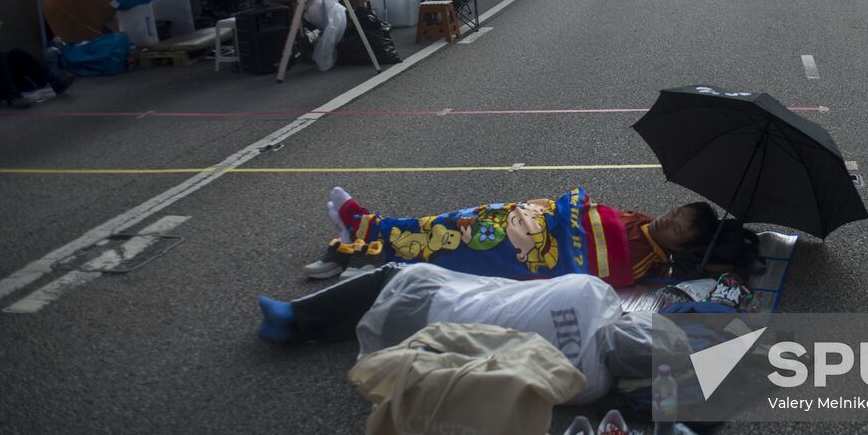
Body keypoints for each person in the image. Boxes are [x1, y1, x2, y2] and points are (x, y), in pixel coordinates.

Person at [303, 185, 719, 288]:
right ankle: (370, 227)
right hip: (524, 221)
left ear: (683, 244)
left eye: (679, 226)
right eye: (675, 211)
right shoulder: (642, 219)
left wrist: (569, 213)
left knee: (458, 245)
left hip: (523, 251)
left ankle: (372, 253)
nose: (670, 220)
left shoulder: (647, 258)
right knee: (454, 220)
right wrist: (547, 208)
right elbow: (587, 215)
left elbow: (589, 262)